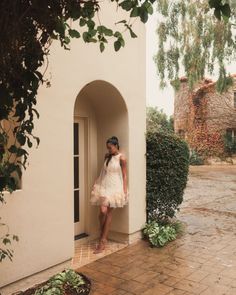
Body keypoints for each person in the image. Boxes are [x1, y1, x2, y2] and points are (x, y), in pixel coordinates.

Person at [90, 136, 128, 254]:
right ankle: (102, 233)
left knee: (109, 213)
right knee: (102, 211)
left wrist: (124, 190)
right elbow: (103, 172)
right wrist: (96, 182)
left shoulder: (122, 158)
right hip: (105, 186)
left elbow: (124, 175)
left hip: (115, 187)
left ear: (116, 146)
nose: (108, 150)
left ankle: (103, 241)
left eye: (110, 148)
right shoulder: (107, 157)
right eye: (107, 148)